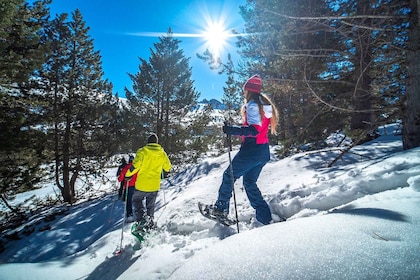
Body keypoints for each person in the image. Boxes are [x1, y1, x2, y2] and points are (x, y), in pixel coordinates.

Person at [208, 74, 278, 225]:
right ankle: (265, 218)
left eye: (244, 90)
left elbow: (253, 130)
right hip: (263, 151)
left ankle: (221, 210)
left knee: (229, 176)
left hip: (251, 151)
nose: (243, 93)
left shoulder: (253, 105)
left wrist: (231, 130)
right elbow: (259, 129)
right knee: (249, 183)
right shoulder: (265, 106)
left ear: (249, 91)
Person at [126, 133, 172, 230]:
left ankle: (141, 221)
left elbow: (135, 166)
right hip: (154, 185)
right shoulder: (162, 153)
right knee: (150, 206)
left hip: (142, 184)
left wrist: (128, 175)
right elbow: (168, 167)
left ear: (148, 142)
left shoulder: (142, 151)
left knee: (136, 200)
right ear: (156, 142)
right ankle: (150, 224)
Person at [118, 155, 136, 222]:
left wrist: (120, 177)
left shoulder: (125, 168)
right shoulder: (136, 167)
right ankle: (140, 214)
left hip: (128, 186)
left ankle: (130, 215)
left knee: (129, 201)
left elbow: (120, 179)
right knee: (138, 200)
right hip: (137, 186)